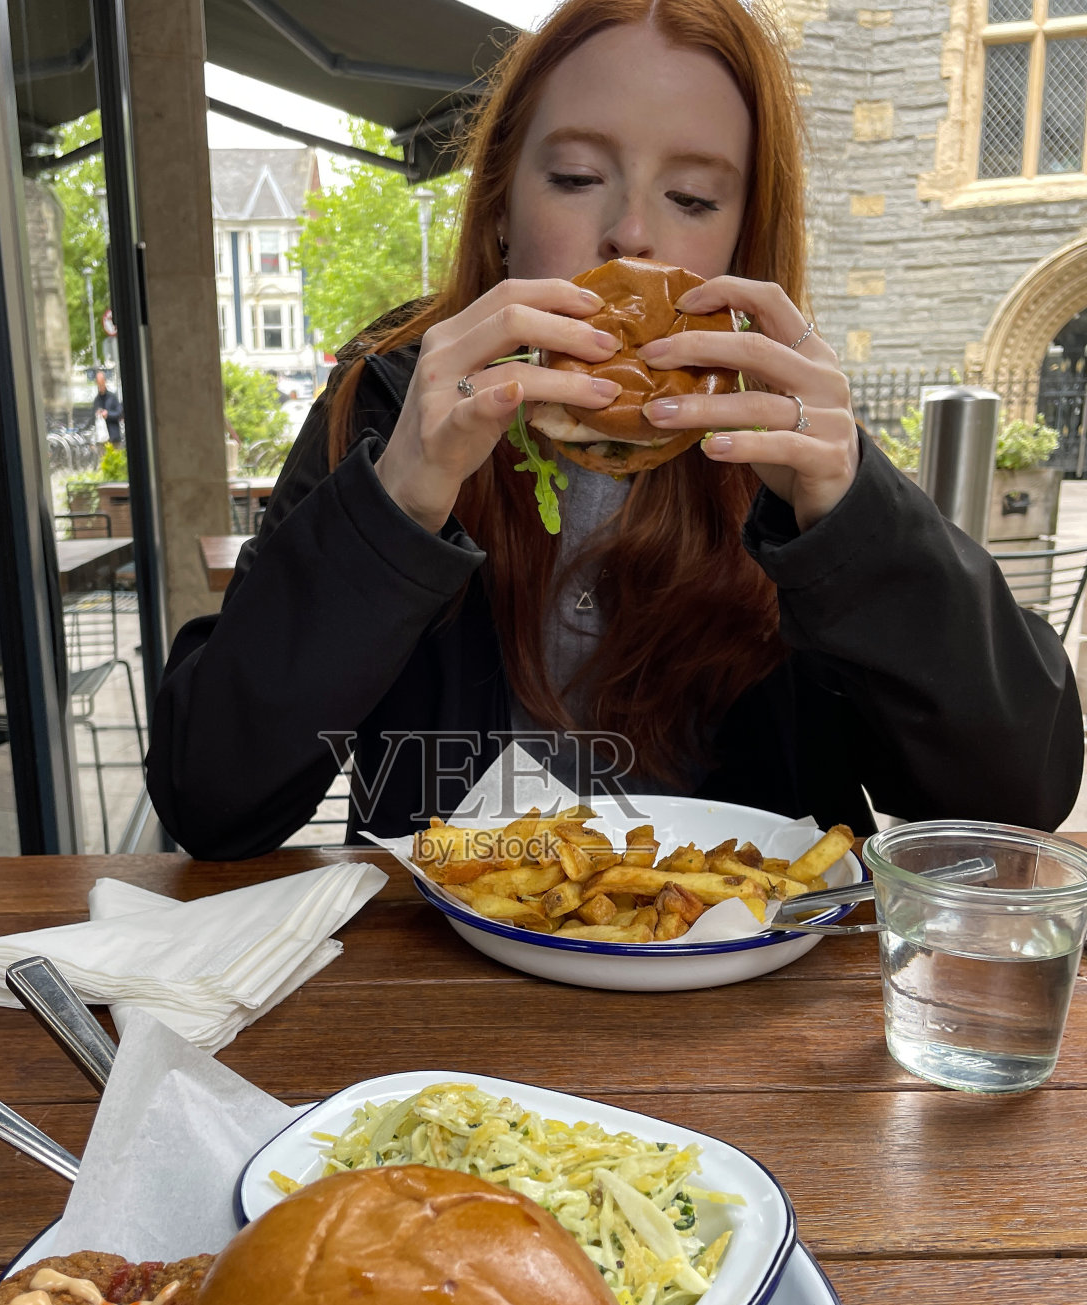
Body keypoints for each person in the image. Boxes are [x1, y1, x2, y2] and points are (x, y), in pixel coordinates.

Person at [147, 0, 1082, 860]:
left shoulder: (792, 442)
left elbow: (1016, 796)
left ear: (742, 243)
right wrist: (398, 503)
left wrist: (857, 528)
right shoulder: (389, 405)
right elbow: (213, 802)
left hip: (750, 981)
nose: (632, 234)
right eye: (577, 176)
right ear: (502, 207)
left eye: (693, 200)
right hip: (445, 979)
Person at [93, 369, 124, 447]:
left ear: (105, 381)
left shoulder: (112, 397)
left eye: (101, 381)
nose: (100, 385)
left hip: (113, 438)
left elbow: (119, 413)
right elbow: (93, 418)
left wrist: (108, 414)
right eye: (98, 382)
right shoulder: (97, 400)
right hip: (101, 439)